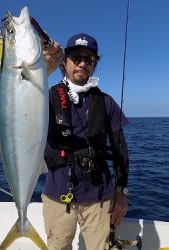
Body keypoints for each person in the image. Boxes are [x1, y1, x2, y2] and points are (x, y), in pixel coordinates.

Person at [41, 33, 129, 250]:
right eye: (76, 57)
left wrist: (121, 193)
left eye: (89, 59)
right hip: (58, 194)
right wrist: (42, 70)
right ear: (65, 61)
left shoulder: (106, 102)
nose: (82, 63)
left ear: (94, 64)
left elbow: (120, 149)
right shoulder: (47, 97)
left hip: (100, 196)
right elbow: (22, 100)